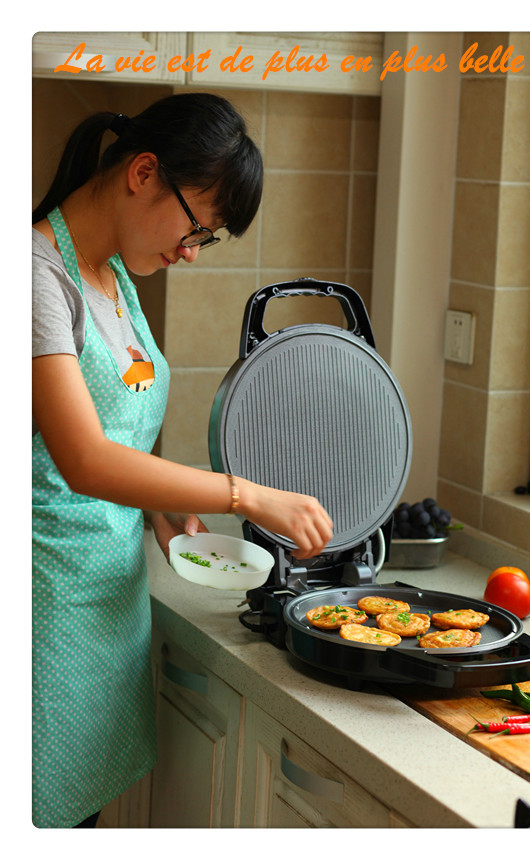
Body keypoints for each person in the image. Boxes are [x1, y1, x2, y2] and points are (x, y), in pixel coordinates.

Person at [32, 92, 333, 829]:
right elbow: (82, 460)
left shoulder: (112, 278)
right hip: (38, 613)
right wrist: (246, 495)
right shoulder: (33, 275)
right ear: (142, 173)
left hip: (100, 613)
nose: (191, 251)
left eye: (209, 238)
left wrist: (159, 501)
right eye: (197, 226)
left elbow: (109, 434)